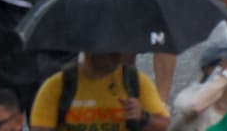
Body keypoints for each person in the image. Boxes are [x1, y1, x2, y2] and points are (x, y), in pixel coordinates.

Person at [26, 52, 167, 131]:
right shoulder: (56, 87)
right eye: (110, 52)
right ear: (90, 52)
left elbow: (164, 125)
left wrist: (143, 117)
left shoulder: (135, 81)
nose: (117, 57)